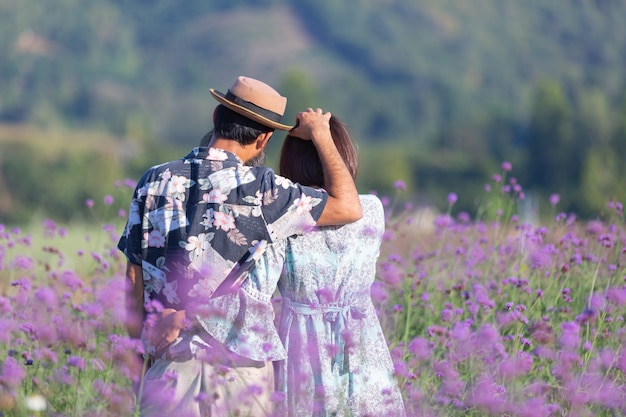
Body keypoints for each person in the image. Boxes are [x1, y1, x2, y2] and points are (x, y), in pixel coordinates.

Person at [117, 75, 362, 417]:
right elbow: (349, 206)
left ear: (216, 117)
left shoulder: (153, 180)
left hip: (169, 366)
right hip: (239, 370)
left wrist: (138, 365)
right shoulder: (265, 190)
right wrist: (321, 133)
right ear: (263, 139)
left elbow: (133, 281)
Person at [272, 116, 407, 416]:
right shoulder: (371, 210)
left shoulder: (286, 215)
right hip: (360, 344)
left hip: (301, 345)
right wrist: (323, 136)